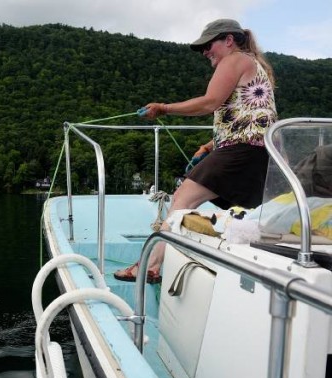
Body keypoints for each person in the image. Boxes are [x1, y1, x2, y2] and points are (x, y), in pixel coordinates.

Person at [115, 18, 277, 284]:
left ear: (228, 40)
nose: (205, 51)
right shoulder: (251, 64)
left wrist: (163, 108)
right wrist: (209, 146)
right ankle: (158, 264)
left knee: (183, 199)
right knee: (192, 200)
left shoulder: (234, 60)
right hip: (251, 151)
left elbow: (210, 102)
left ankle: (150, 266)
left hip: (242, 151)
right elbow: (251, 118)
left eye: (208, 44)